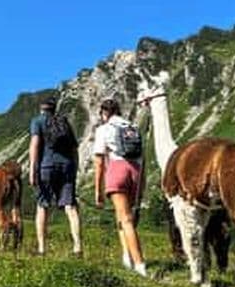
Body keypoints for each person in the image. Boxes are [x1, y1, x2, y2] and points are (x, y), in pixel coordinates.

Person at [93, 98, 147, 276]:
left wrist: (98, 191)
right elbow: (142, 158)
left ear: (105, 113)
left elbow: (99, 162)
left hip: (117, 170)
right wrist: (142, 184)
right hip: (136, 173)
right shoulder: (132, 128)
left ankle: (140, 265)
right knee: (124, 216)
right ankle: (127, 257)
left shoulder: (104, 129)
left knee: (126, 220)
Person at [28, 96, 82, 256]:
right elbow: (74, 149)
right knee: (71, 207)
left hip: (47, 166)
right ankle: (78, 247)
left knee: (42, 206)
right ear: (55, 108)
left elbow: (35, 145)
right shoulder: (64, 123)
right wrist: (74, 169)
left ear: (41, 108)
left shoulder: (37, 121)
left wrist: (32, 169)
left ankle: (42, 249)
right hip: (67, 166)